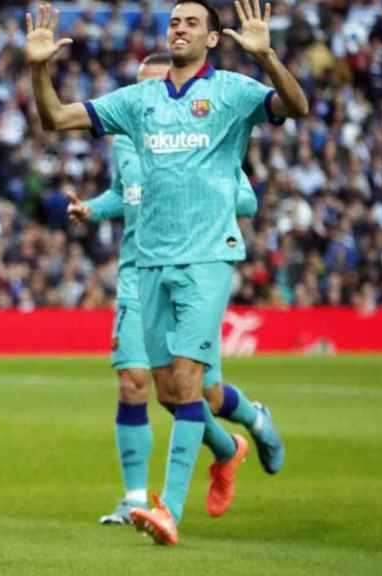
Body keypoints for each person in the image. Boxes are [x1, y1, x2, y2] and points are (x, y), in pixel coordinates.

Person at [27, 0, 305, 545]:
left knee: (190, 380)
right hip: (147, 261)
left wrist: (267, 55)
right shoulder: (140, 101)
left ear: (214, 38)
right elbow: (55, 118)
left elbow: (297, 106)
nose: (179, 28)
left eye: (191, 22)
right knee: (171, 394)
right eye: (174, 21)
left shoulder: (232, 92)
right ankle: (228, 451)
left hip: (207, 256)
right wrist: (39, 67)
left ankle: (167, 510)